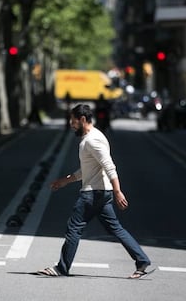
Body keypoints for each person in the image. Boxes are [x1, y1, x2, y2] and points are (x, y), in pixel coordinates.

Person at [38, 104, 151, 278]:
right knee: (116, 229)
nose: (70, 123)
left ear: (82, 119)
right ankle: (141, 260)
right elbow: (87, 170)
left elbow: (109, 165)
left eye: (73, 120)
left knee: (74, 228)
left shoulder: (92, 140)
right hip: (101, 193)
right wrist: (64, 181)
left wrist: (118, 191)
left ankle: (61, 268)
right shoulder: (95, 137)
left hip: (93, 193)